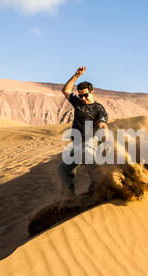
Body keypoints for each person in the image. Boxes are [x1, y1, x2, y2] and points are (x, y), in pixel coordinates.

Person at [59, 66, 109, 198]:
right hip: (78, 143)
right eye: (81, 95)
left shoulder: (99, 108)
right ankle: (70, 198)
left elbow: (103, 125)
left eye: (86, 95)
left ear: (93, 93)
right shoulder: (78, 103)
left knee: (87, 153)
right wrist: (76, 76)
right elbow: (65, 90)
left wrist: (107, 142)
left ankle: (99, 187)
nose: (83, 98)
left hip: (92, 141)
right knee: (64, 168)